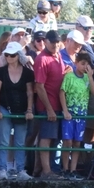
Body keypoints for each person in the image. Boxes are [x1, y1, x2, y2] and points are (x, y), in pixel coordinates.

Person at [0, 42, 35, 181]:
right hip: (4, 107)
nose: (9, 57)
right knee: (3, 140)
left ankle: (21, 169)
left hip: (22, 109)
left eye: (12, 55)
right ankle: (2, 169)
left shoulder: (28, 73)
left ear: (19, 56)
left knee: (20, 142)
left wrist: (29, 109)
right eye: (7, 55)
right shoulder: (1, 71)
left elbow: (30, 93)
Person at [33, 29, 67, 180]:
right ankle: (46, 171)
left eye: (57, 42)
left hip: (58, 106)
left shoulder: (58, 55)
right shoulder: (42, 59)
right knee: (46, 138)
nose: (55, 44)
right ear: (46, 41)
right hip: (48, 107)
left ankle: (48, 169)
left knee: (55, 139)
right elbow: (39, 86)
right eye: (52, 42)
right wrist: (49, 109)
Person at [60, 51, 94, 180]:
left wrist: (91, 77)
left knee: (77, 143)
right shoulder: (69, 76)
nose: (84, 67)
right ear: (76, 63)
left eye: (87, 65)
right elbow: (62, 92)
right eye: (82, 64)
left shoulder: (87, 78)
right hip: (70, 115)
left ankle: (73, 169)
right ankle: (65, 168)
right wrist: (65, 110)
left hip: (81, 116)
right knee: (67, 142)